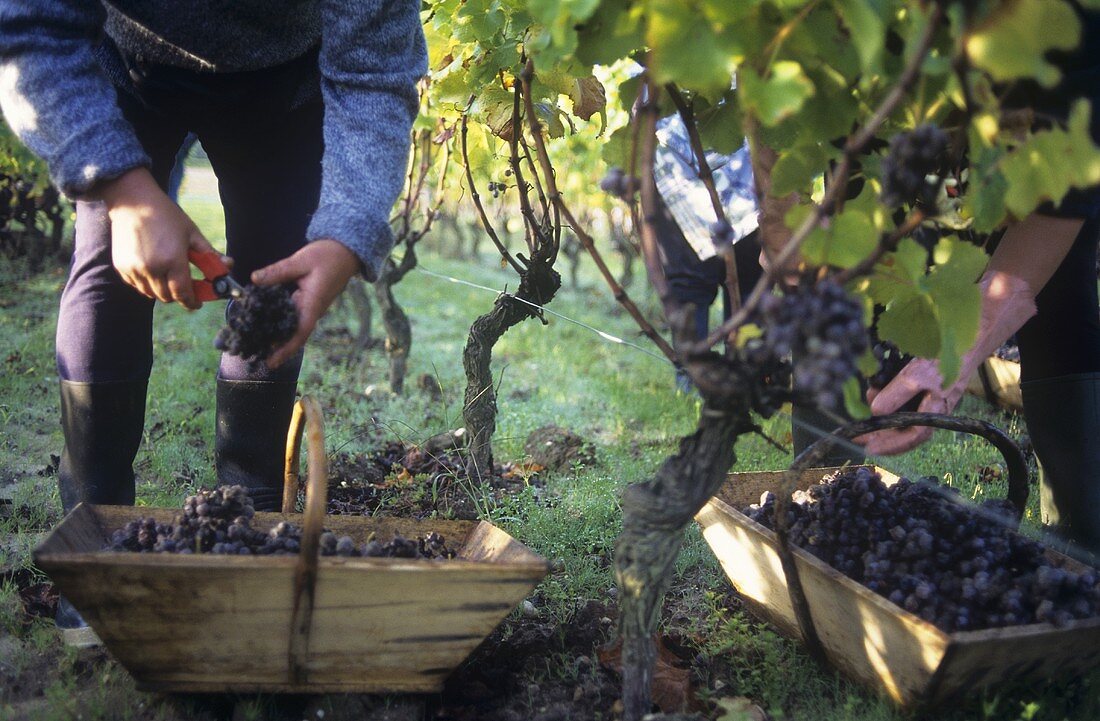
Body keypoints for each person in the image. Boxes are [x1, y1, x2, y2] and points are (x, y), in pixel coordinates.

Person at [0, 1, 427, 641]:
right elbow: (29, 27)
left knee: (274, 278)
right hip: (128, 65)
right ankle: (95, 534)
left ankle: (248, 524)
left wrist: (346, 234)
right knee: (106, 267)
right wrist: (120, 188)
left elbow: (375, 73)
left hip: (283, 80)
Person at [863, 7, 1100, 555]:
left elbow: (1062, 201)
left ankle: (1083, 547)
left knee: (1059, 291)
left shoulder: (1070, 31)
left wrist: (949, 364)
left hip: (1055, 129)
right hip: (910, 112)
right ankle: (824, 491)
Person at [652, 115, 861, 465]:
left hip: (742, 191)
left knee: (735, 289)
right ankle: (699, 378)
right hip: (705, 186)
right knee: (700, 287)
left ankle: (737, 376)